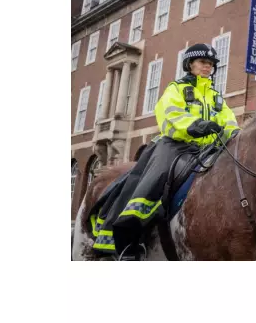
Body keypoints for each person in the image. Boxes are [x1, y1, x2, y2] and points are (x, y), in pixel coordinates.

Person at [91, 43, 240, 260]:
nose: (207, 67)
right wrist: (196, 125)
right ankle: (126, 238)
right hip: (176, 145)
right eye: (203, 62)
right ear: (190, 65)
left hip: (208, 148)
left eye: (211, 64)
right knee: (156, 177)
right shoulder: (177, 88)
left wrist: (235, 135)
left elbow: (228, 121)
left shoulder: (217, 96)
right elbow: (169, 114)